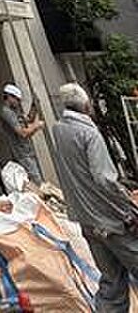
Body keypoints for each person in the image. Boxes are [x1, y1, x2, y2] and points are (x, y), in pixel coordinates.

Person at [53, 82, 138, 312]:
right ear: (86, 105)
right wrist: (127, 211)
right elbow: (104, 179)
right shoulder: (89, 134)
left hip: (86, 220)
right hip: (110, 221)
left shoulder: (59, 130)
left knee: (112, 281)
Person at [0, 83, 44, 185]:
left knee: (34, 182)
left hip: (27, 151)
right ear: (9, 97)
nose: (19, 102)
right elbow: (23, 133)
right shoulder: (7, 113)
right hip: (22, 154)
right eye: (17, 100)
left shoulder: (15, 111)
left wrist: (34, 106)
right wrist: (36, 126)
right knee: (37, 182)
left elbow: (28, 119)